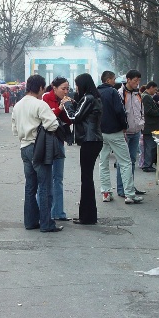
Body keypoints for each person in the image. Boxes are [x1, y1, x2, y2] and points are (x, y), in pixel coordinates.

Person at [11, 75, 62, 232]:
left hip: (24, 147)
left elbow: (14, 130)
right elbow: (53, 125)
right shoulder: (40, 104)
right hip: (39, 149)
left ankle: (30, 221)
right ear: (40, 88)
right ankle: (47, 224)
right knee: (45, 186)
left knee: (30, 187)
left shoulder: (18, 105)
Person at [97, 70, 143, 204]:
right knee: (125, 162)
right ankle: (129, 193)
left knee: (103, 163)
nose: (115, 81)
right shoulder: (113, 92)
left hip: (101, 132)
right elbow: (120, 111)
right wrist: (124, 126)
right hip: (115, 132)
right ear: (108, 80)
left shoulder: (96, 92)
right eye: (113, 79)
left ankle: (106, 192)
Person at [64, 73, 103, 224]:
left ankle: (87, 216)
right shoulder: (94, 98)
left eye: (77, 85)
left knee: (86, 179)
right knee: (87, 178)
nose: (76, 88)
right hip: (94, 140)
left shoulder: (88, 98)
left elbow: (74, 118)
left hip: (89, 140)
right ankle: (87, 215)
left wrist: (67, 104)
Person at [41, 77, 73, 221]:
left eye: (68, 89)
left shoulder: (65, 99)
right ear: (54, 88)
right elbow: (48, 118)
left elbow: (68, 120)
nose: (66, 91)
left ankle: (58, 212)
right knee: (45, 177)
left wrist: (70, 107)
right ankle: (44, 212)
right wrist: (60, 107)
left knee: (58, 178)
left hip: (59, 140)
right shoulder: (45, 98)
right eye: (63, 88)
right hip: (46, 141)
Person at [116, 69, 147, 198]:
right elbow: (119, 112)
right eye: (135, 81)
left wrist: (142, 122)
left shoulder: (137, 94)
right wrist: (122, 128)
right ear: (128, 80)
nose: (137, 83)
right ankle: (121, 188)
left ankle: (130, 186)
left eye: (139, 81)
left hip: (136, 131)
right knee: (123, 162)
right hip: (125, 132)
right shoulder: (120, 93)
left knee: (132, 160)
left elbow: (141, 110)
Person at [141, 81, 159, 172]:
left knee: (150, 146)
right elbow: (148, 111)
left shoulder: (147, 96)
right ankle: (147, 165)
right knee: (150, 146)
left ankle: (148, 164)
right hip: (150, 126)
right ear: (151, 87)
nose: (155, 92)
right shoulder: (146, 97)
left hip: (150, 125)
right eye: (155, 89)